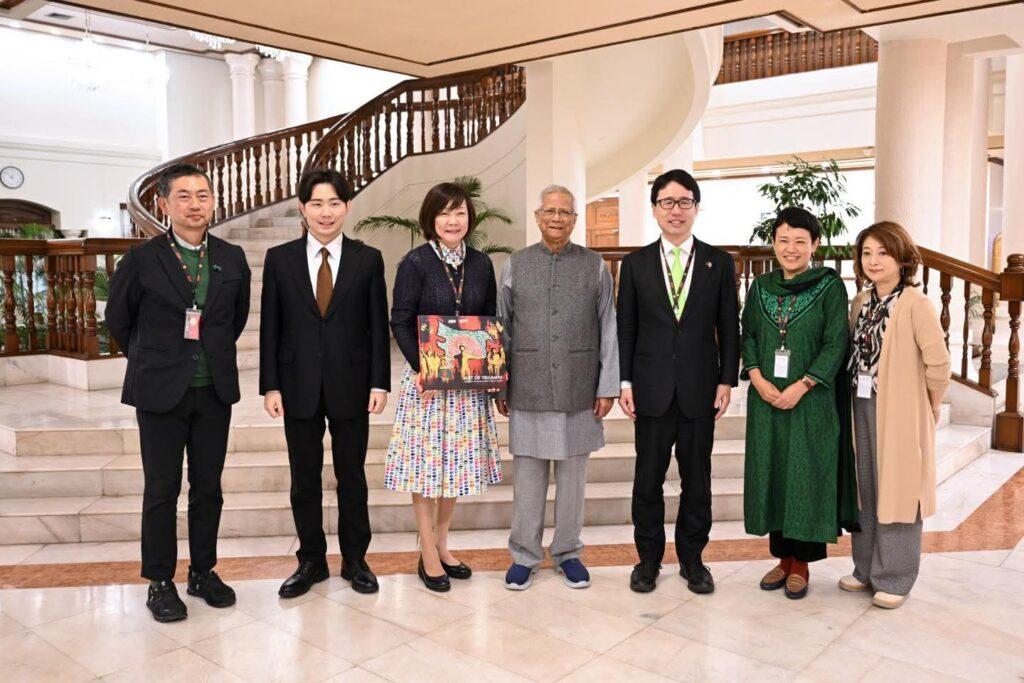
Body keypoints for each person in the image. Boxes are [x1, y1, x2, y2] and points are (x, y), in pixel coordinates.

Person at [107, 163, 250, 622]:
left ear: (214, 202)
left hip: (213, 390)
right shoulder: (141, 260)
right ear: (164, 205)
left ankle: (203, 572)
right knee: (161, 489)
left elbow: (234, 319)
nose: (195, 204)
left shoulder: (231, 257)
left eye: (202, 195)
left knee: (208, 488)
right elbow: (119, 321)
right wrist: (157, 358)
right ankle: (160, 581)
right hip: (159, 391)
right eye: (183, 196)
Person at [259, 168, 390, 598]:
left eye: (334, 203)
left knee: (352, 476)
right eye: (316, 203)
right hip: (297, 385)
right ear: (303, 208)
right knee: (304, 479)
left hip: (352, 384)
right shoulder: (280, 259)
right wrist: (270, 386)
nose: (326, 212)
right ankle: (311, 561)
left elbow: (377, 325)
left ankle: (355, 560)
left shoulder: (367, 259)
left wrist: (379, 383)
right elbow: (270, 327)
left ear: (347, 207)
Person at [617, 169, 739, 595]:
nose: (676, 210)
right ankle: (647, 560)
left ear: (696, 208)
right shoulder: (635, 264)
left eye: (684, 201)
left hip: (699, 390)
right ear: (654, 209)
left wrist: (726, 380)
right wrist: (625, 382)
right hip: (650, 390)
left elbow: (729, 325)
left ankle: (693, 560)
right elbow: (626, 327)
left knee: (697, 481)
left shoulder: (718, 262)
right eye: (667, 202)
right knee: (647, 481)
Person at [496, 184, 619, 591]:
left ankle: (568, 553)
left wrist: (607, 386)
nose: (556, 218)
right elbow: (502, 328)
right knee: (528, 481)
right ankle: (524, 555)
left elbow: (608, 327)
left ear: (575, 219)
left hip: (578, 386)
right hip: (527, 385)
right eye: (549, 211)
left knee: (572, 482)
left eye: (564, 212)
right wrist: (500, 385)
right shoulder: (516, 264)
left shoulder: (594, 265)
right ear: (537, 216)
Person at [385, 182, 502, 592]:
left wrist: (492, 372)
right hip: (427, 385)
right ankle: (427, 554)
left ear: (470, 218)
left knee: (456, 470)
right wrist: (423, 369)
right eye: (444, 213)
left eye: (460, 213)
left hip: (467, 385)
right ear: (431, 219)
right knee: (426, 470)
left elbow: (489, 320)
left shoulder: (482, 264)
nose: (453, 221)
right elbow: (400, 320)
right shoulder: (415, 263)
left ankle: (442, 544)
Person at [740, 207, 859, 599]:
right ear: (773, 243)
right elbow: (748, 334)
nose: (791, 249)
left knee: (806, 475)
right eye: (783, 240)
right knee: (773, 472)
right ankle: (782, 559)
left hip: (811, 400)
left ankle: (802, 564)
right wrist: (757, 378)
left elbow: (835, 341)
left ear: (815, 245)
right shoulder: (760, 286)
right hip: (766, 400)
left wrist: (803, 385)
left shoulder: (829, 286)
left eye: (800, 241)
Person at [840, 221, 950, 609]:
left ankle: (896, 577)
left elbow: (938, 364)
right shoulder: (861, 302)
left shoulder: (916, 304)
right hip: (860, 404)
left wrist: (932, 404)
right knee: (865, 488)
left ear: (903, 258)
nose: (874, 260)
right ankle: (865, 569)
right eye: (867, 253)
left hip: (901, 410)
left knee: (899, 491)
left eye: (883, 252)